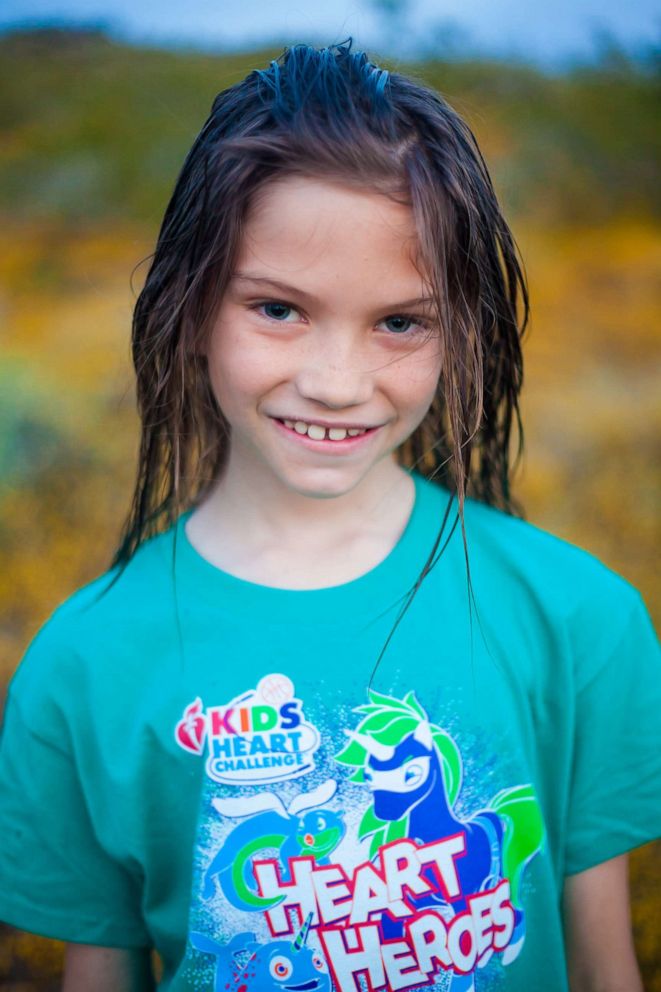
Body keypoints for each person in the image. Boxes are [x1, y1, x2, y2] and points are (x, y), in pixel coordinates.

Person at [0, 39, 659, 992]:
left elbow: (606, 968)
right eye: (277, 309)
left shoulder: (577, 619)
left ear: (459, 331)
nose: (336, 382)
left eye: (400, 322)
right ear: (190, 306)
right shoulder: (84, 667)